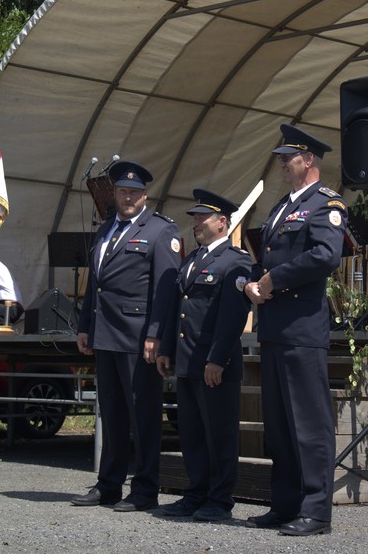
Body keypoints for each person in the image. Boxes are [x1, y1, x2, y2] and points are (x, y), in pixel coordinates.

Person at [244, 124, 348, 537]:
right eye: (281, 158)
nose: (282, 164)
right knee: (280, 427)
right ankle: (285, 504)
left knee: (309, 424)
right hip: (274, 328)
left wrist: (274, 280)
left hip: (302, 329)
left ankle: (316, 511)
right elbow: (266, 259)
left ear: (309, 160)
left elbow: (326, 255)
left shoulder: (326, 204)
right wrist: (252, 282)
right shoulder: (279, 208)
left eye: (288, 158)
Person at [71, 161, 181, 511]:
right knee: (112, 414)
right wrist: (85, 326)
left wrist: (156, 334)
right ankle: (109, 485)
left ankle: (146, 489)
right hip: (105, 334)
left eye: (134, 192)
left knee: (143, 416)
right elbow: (96, 285)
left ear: (145, 195)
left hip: (138, 338)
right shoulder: (106, 230)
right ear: (115, 194)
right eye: (122, 191)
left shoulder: (161, 231)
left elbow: (166, 291)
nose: (128, 197)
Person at [157, 189, 252, 522]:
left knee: (219, 435)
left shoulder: (235, 261)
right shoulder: (191, 261)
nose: (196, 223)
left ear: (222, 222)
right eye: (195, 217)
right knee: (192, 434)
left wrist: (218, 359)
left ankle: (219, 499)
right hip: (188, 361)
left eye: (202, 217)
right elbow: (177, 309)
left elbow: (232, 316)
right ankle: (196, 493)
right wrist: (166, 349)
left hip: (214, 364)